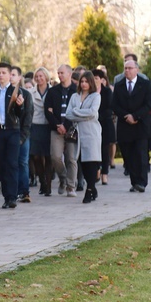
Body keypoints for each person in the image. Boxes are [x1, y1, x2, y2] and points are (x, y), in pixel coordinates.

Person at [0, 62, 27, 209]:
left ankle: (12, 197)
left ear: (10, 74)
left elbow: (19, 114)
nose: (1, 75)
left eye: (4, 73)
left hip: (12, 130)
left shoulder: (16, 91)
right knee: (2, 164)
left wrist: (19, 105)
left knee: (12, 163)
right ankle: (6, 196)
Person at [111, 60, 151, 193]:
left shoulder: (145, 84)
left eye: (130, 68)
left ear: (137, 70)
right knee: (128, 155)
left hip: (141, 125)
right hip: (125, 126)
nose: (127, 71)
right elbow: (114, 105)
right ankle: (134, 182)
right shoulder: (119, 86)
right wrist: (126, 116)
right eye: (125, 68)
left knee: (141, 154)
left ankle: (142, 182)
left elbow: (148, 104)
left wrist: (135, 116)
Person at [65, 71, 102, 204]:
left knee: (91, 161)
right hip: (77, 133)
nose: (84, 84)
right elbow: (68, 114)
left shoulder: (95, 96)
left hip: (91, 132)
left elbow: (92, 113)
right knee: (81, 161)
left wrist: (76, 112)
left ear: (91, 82)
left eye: (86, 81)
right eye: (82, 81)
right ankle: (92, 187)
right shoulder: (75, 97)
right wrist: (79, 113)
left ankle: (89, 189)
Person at [45, 65, 78, 197]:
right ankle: (63, 177)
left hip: (72, 128)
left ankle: (71, 186)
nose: (60, 75)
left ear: (70, 73)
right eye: (58, 73)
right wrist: (57, 125)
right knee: (55, 156)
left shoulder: (76, 90)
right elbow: (47, 110)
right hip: (56, 128)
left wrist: (66, 124)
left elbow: (76, 109)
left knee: (71, 158)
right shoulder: (53, 91)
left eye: (62, 73)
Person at [11, 66, 33, 203]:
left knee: (23, 162)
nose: (11, 77)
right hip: (8, 133)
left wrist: (23, 136)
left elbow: (28, 117)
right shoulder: (1, 93)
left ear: (20, 77)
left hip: (22, 134)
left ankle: (24, 191)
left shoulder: (26, 94)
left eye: (14, 74)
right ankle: (12, 191)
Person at [30, 67, 53, 196]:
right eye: (36, 76)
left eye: (41, 76)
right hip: (36, 125)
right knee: (36, 156)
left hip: (49, 125)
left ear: (46, 76)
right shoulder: (30, 92)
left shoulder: (52, 90)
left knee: (49, 156)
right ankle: (42, 181)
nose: (39, 78)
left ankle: (48, 185)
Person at [92, 69, 115, 185]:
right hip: (92, 124)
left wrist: (98, 115)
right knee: (94, 149)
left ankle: (104, 173)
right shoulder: (89, 92)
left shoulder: (107, 92)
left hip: (105, 123)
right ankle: (97, 170)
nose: (94, 81)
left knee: (104, 149)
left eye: (96, 78)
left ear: (102, 80)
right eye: (93, 78)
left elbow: (110, 108)